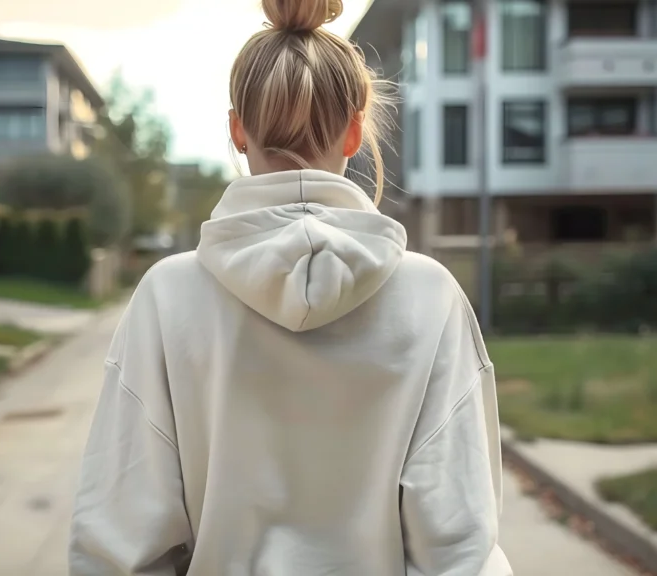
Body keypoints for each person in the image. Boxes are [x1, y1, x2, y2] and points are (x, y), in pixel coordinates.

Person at [68, 0, 512, 574]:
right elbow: (461, 550)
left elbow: (120, 543)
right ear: (356, 131)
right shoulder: (431, 298)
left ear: (237, 129)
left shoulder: (167, 296)